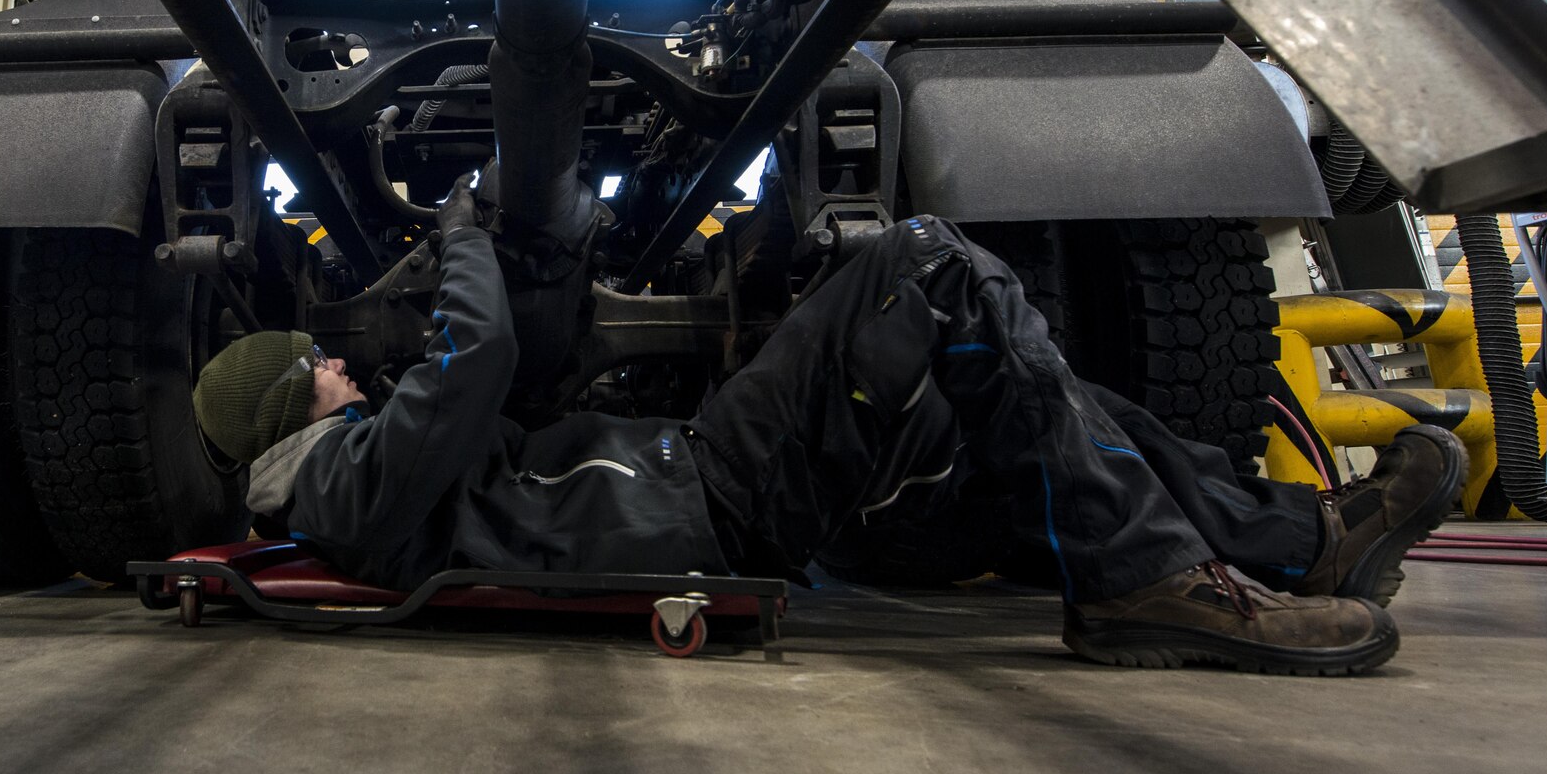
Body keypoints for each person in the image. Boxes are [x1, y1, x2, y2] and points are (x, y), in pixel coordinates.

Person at [192, 177, 1466, 675]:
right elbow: (475, 365)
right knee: (922, 263)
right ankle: (1143, 587)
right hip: (713, 500)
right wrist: (461, 241)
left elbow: (482, 404)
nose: (343, 374)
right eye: (320, 369)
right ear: (280, 411)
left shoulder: (351, 482)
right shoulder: (340, 487)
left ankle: (1304, 537)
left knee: (1043, 398)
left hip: (726, 500)